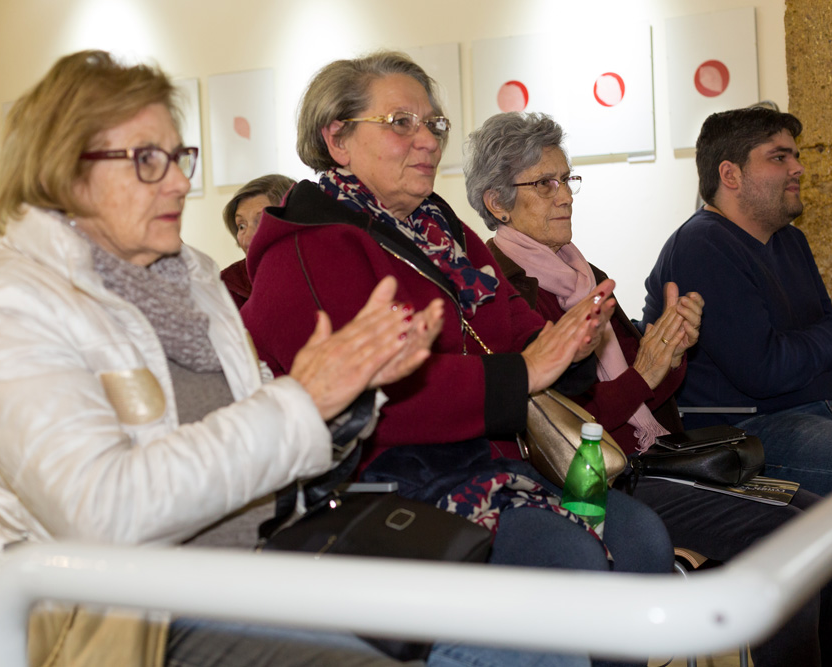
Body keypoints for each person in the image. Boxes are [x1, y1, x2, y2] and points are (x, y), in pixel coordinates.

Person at [0, 50, 446, 667]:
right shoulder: (6, 304)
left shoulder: (187, 274)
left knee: (473, 624)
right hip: (124, 622)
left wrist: (353, 388)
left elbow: (266, 446)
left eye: (179, 156)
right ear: (65, 173)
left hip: (256, 569)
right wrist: (303, 399)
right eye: (147, 160)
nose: (180, 182)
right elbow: (104, 512)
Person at [242, 52, 673, 667]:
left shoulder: (442, 230)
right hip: (389, 482)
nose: (427, 141)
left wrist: (573, 340)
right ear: (335, 139)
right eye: (400, 122)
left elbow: (517, 331)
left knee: (641, 537)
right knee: (568, 558)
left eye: (435, 125)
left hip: (497, 464)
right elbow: (373, 399)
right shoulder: (307, 250)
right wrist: (526, 370)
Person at [465, 110, 832, 667]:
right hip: (596, 482)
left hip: (648, 457)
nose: (565, 197)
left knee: (819, 520)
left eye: (567, 180)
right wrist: (645, 374)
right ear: (497, 203)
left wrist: (671, 352)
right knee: (789, 538)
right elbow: (560, 426)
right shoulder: (500, 289)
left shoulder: (580, 271)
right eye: (545, 184)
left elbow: (650, 390)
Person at [642, 106, 832, 667]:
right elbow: (767, 370)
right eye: (779, 157)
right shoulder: (703, 244)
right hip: (742, 431)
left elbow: (828, 360)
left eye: (796, 156)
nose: (797, 168)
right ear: (729, 174)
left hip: (815, 408)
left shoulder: (789, 242)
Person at [221, 173, 295, 308]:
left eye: (261, 222)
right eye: (241, 226)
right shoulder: (227, 286)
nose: (247, 239)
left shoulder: (316, 276)